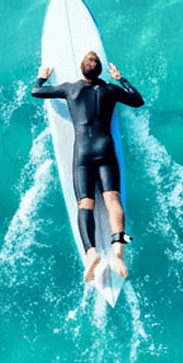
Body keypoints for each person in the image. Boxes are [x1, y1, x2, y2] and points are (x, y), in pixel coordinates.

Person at [32, 51, 144, 283]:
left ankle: (91, 252)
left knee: (85, 203)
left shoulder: (70, 89)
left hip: (82, 151)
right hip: (105, 149)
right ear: (100, 71)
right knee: (112, 200)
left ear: (82, 71)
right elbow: (137, 100)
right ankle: (118, 253)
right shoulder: (110, 91)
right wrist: (120, 78)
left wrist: (41, 77)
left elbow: (36, 92)